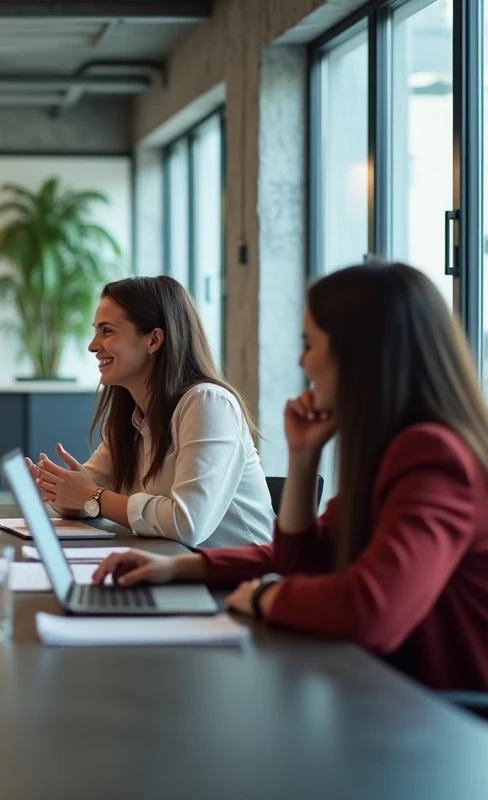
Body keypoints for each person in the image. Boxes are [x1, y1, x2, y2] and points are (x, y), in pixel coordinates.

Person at [93, 263, 488, 692]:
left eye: (309, 344)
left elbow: (372, 611)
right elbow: (306, 560)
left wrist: (268, 597)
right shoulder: (393, 450)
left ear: (360, 353)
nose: (302, 361)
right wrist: (178, 567)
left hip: (444, 718)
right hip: (391, 695)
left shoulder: (433, 456)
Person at [31, 275, 273, 548]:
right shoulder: (131, 417)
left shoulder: (209, 404)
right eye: (95, 330)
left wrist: (92, 496)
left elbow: (186, 524)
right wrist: (57, 490)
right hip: (172, 569)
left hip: (239, 582)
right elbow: (86, 496)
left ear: (154, 340)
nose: (93, 345)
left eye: (107, 331)